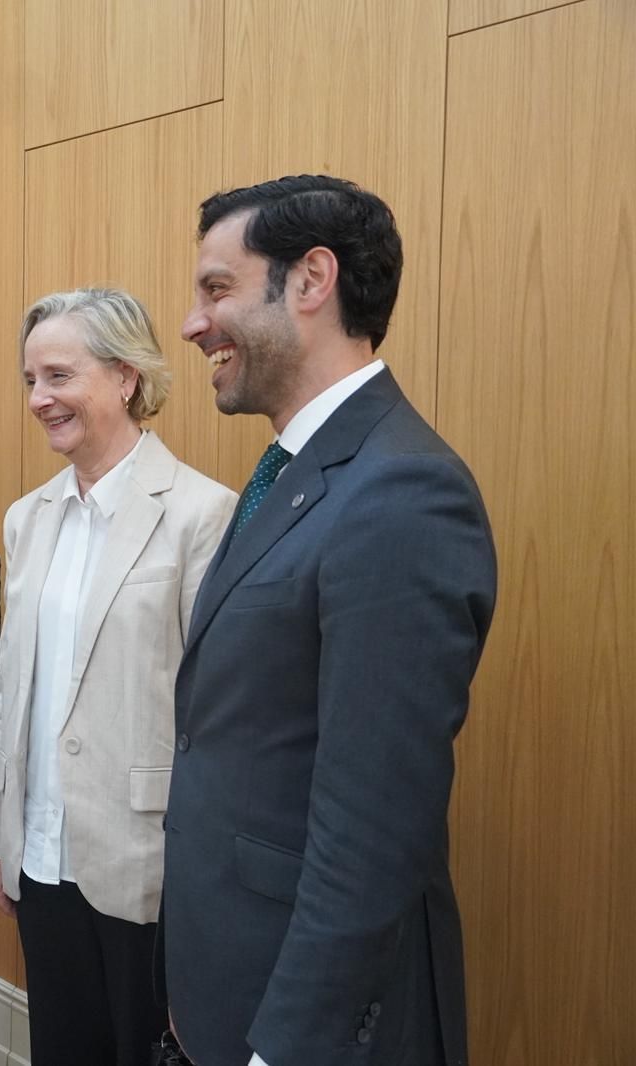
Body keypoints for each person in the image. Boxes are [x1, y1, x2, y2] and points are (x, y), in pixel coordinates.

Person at [163, 175, 498, 1066]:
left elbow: (374, 833)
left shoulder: (402, 493)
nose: (194, 324)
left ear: (312, 281)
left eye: (217, 288)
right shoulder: (294, 472)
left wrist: (289, 1047)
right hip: (235, 975)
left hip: (316, 1026)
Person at [0, 288, 235, 1065]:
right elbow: (12, 688)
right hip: (43, 855)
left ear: (126, 377)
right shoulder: (29, 517)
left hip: (145, 860)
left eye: (59, 375)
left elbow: (214, 713)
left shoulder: (201, 515)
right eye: (29, 380)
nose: (39, 399)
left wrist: (204, 868)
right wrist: (0, 832)